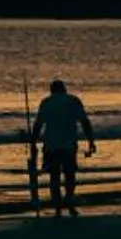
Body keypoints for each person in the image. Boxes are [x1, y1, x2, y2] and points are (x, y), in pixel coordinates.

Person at [29, 79, 95, 217]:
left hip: (51, 145)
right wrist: (91, 141)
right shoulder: (73, 101)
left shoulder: (46, 102)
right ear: (64, 89)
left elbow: (39, 123)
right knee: (69, 174)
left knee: (54, 176)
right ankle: (69, 199)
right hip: (68, 144)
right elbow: (84, 121)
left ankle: (57, 206)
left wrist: (33, 142)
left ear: (51, 90)